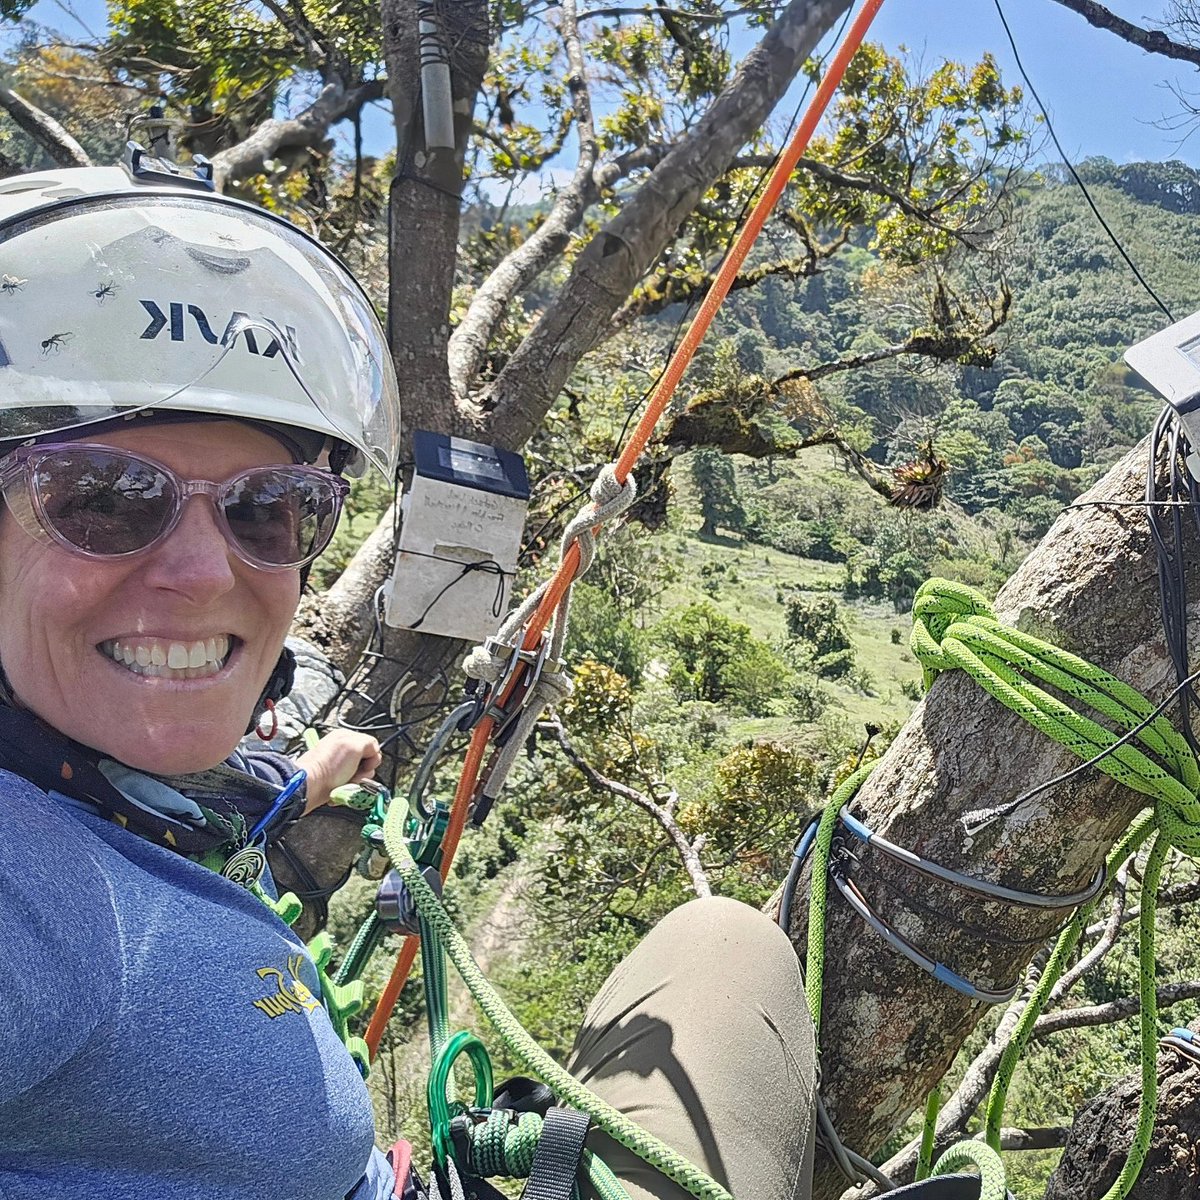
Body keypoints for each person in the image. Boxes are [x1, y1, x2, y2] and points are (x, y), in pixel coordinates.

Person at [0, 159, 816, 1200]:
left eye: (269, 508)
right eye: (104, 499)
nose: (205, 574)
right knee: (728, 944)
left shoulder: (129, 799)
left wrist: (304, 781)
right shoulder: (29, 893)